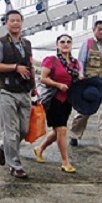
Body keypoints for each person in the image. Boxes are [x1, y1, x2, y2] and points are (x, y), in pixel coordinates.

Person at [0, 10, 37, 179]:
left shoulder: (27, 44)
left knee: (23, 130)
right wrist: (15, 67)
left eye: (18, 20)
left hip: (24, 92)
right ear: (6, 23)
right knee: (11, 130)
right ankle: (15, 165)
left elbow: (30, 66)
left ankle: (3, 145)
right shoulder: (0, 43)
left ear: (22, 23)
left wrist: (34, 86)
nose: (15, 23)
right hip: (7, 92)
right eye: (12, 21)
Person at [33, 34, 80, 173]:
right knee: (62, 130)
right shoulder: (51, 60)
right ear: (57, 45)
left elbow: (76, 79)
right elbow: (43, 78)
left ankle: (40, 148)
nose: (66, 44)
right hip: (54, 99)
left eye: (68, 42)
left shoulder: (75, 63)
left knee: (58, 131)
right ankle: (65, 161)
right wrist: (58, 85)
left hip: (67, 100)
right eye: (62, 42)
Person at [68, 20, 102, 152]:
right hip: (91, 83)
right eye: (99, 29)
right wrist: (81, 76)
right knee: (85, 111)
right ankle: (74, 134)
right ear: (94, 30)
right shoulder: (88, 44)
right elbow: (81, 61)